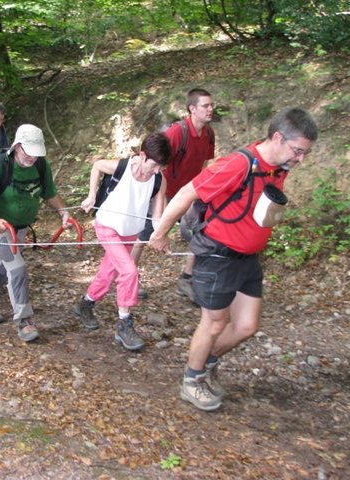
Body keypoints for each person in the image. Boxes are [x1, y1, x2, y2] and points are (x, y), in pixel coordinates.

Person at [149, 107, 318, 412]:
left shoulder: (278, 167)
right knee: (214, 324)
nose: (300, 159)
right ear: (278, 138)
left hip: (248, 258)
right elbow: (188, 193)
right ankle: (192, 380)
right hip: (218, 256)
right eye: (297, 151)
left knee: (246, 326)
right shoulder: (238, 164)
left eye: (305, 153)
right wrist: (160, 233)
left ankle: (206, 363)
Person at [0, 124, 73, 343]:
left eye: (37, 153)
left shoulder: (41, 166)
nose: (33, 157)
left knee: (4, 266)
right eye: (28, 152)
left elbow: (50, 193)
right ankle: (25, 320)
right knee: (17, 270)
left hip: (21, 228)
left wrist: (63, 213)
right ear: (17, 146)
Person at [74, 132, 172, 350]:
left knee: (109, 272)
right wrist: (91, 196)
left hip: (129, 233)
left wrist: (161, 236)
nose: (157, 170)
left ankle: (86, 303)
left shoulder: (158, 179)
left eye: (161, 167)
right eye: (155, 165)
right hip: (107, 226)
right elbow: (98, 165)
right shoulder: (122, 167)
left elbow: (157, 216)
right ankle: (124, 323)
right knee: (129, 271)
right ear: (143, 156)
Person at [132, 88, 216, 302]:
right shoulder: (178, 132)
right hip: (165, 193)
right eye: (205, 105)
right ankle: (128, 277)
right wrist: (157, 196)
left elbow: (204, 165)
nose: (210, 109)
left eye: (211, 105)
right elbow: (157, 162)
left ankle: (186, 280)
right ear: (192, 108)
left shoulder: (209, 134)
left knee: (201, 235)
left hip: (189, 195)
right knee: (144, 235)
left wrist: (198, 192)